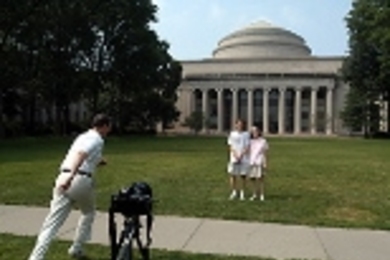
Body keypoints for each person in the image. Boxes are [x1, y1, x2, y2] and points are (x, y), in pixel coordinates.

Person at [28, 113, 111, 260]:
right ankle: (76, 248)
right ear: (103, 126)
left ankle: (36, 258)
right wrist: (72, 177)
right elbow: (81, 154)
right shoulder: (97, 139)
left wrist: (100, 161)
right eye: (108, 127)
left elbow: (86, 155)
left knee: (52, 223)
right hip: (79, 179)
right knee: (88, 213)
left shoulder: (83, 137)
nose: (108, 131)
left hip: (62, 176)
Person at [227, 119, 250, 200]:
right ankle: (234, 191)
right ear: (236, 125)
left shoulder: (246, 134)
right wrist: (236, 155)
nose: (240, 126)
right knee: (233, 175)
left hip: (244, 158)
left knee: (243, 176)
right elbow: (230, 146)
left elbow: (247, 146)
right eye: (238, 124)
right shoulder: (232, 134)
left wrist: (241, 155)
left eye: (241, 124)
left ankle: (242, 192)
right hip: (234, 157)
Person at [248, 125, 269, 201]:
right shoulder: (250, 141)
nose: (254, 133)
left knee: (260, 178)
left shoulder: (263, 141)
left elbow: (265, 152)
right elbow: (248, 151)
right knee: (252, 178)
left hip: (259, 161)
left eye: (256, 131)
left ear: (259, 132)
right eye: (253, 132)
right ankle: (254, 194)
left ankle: (262, 194)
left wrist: (265, 163)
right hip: (251, 162)